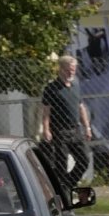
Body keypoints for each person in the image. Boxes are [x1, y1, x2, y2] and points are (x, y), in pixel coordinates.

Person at [41, 55, 92, 188]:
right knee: (61, 162)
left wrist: (87, 127)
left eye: (73, 70)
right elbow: (46, 111)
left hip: (75, 129)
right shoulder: (51, 88)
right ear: (61, 69)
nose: (71, 72)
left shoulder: (76, 84)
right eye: (68, 70)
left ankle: (67, 184)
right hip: (59, 130)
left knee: (84, 160)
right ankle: (61, 188)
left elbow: (80, 106)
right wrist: (46, 130)